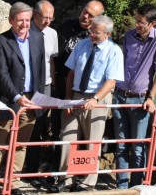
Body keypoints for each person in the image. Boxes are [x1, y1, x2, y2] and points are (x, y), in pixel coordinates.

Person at [49, 15, 124, 193]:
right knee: (67, 138)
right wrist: (68, 98)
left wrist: (95, 99)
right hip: (76, 95)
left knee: (93, 141)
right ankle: (65, 179)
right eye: (91, 31)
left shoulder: (114, 51)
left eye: (96, 33)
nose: (91, 35)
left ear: (107, 34)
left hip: (97, 98)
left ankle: (88, 182)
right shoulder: (82, 45)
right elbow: (71, 73)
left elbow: (111, 81)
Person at [0, 2, 45, 195]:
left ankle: (14, 181)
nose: (25, 24)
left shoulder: (37, 37)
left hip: (30, 100)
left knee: (21, 145)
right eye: (20, 20)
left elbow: (40, 69)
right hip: (7, 100)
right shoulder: (0, 41)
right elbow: (0, 73)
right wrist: (16, 97)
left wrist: (39, 96)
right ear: (11, 20)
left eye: (27, 20)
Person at [112, 3, 156, 189]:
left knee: (137, 146)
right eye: (136, 20)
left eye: (141, 22)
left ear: (152, 23)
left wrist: (151, 97)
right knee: (121, 144)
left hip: (140, 99)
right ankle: (121, 187)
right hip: (120, 95)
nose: (137, 25)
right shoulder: (128, 36)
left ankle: (137, 186)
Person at [51, 1, 104, 159]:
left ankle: (78, 171)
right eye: (84, 11)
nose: (85, 16)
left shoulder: (96, 36)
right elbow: (54, 55)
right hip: (60, 83)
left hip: (81, 90)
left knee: (79, 133)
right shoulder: (67, 26)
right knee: (57, 127)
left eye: (91, 16)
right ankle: (55, 166)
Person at [25, 0, 58, 186]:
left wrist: (52, 85)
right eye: (44, 17)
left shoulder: (52, 34)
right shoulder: (25, 30)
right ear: (35, 15)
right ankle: (26, 171)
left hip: (45, 85)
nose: (47, 21)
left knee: (41, 128)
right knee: (29, 128)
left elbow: (51, 61)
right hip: (28, 86)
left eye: (50, 18)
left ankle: (36, 171)